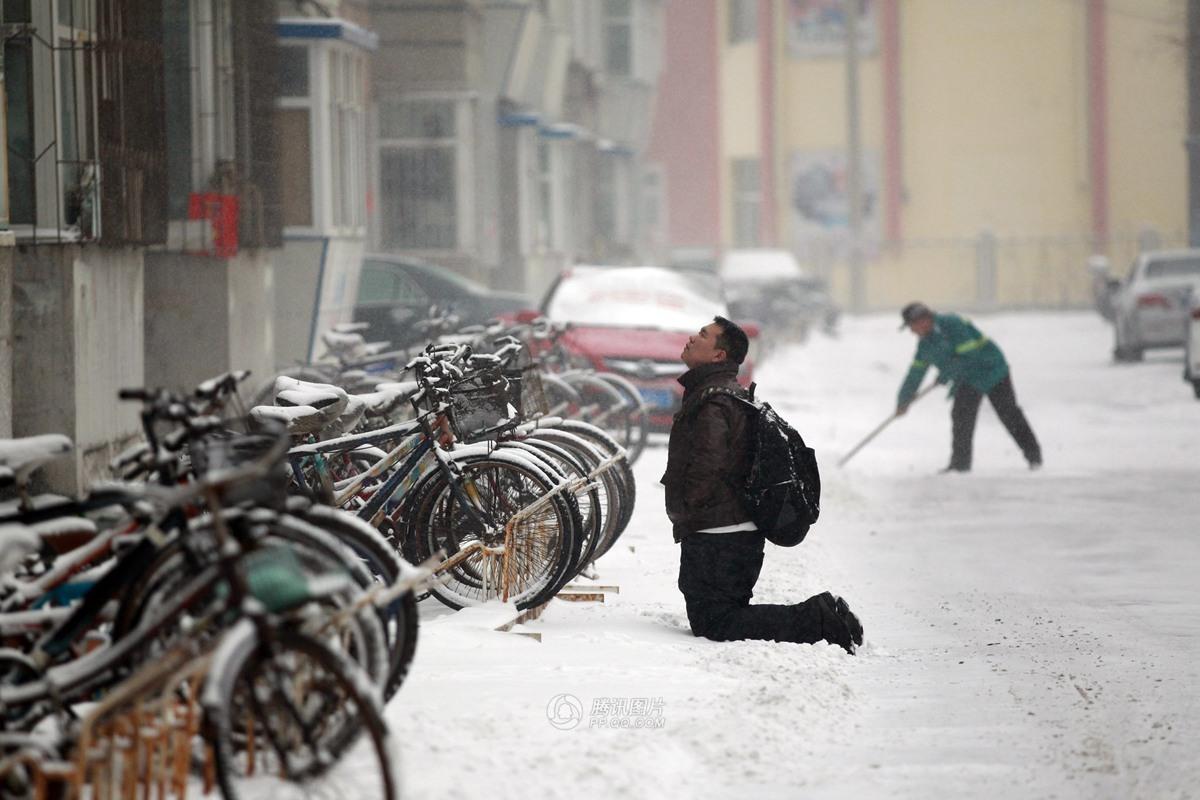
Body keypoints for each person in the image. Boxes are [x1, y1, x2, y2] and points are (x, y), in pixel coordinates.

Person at [661, 316, 862, 652]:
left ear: (718, 356)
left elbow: (707, 465)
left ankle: (821, 619)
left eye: (703, 335)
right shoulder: (724, 394)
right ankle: (824, 616)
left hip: (719, 535)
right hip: (726, 531)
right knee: (717, 618)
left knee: (716, 623)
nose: (692, 338)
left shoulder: (714, 402)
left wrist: (689, 509)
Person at [896, 302, 1042, 472]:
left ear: (923, 320)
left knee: (1008, 413)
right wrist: (903, 400)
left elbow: (969, 356)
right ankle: (960, 465)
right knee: (961, 415)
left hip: (991, 368)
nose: (912, 332)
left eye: (912, 326)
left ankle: (1034, 456)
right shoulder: (925, 345)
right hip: (968, 378)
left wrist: (945, 375)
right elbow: (915, 374)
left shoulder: (952, 323)